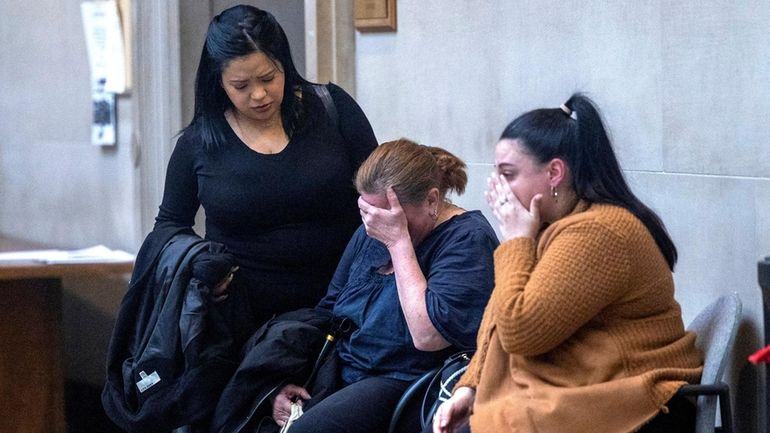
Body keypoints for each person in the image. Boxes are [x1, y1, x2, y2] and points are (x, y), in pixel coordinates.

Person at [433, 94, 703, 433]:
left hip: (635, 401)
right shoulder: (555, 226)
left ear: (554, 172)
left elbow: (521, 332)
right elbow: (499, 320)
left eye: (508, 174)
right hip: (592, 387)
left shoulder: (598, 231)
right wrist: (469, 389)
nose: (496, 190)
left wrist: (516, 242)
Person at [153, 5, 378, 343]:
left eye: (268, 79)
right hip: (244, 326)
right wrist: (198, 269)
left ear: (284, 65)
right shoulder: (199, 142)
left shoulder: (332, 108)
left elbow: (380, 192)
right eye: (240, 85)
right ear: (219, 82)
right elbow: (169, 225)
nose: (258, 95)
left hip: (344, 309)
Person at [270, 139, 500, 433]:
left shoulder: (466, 239)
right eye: (368, 212)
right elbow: (330, 309)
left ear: (432, 200)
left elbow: (428, 336)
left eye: (391, 217)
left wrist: (398, 241)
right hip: (343, 363)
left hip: (402, 377)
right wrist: (296, 375)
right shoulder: (373, 225)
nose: (374, 226)